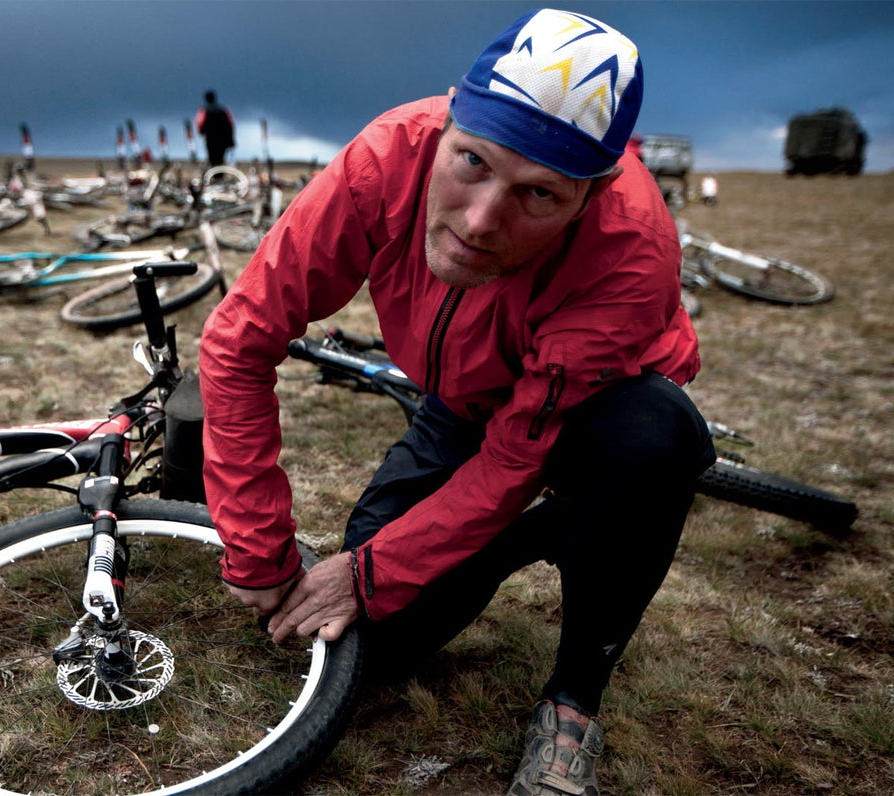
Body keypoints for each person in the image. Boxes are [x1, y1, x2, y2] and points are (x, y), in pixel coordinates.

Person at [198, 9, 715, 796]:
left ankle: (573, 699)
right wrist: (256, 543)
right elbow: (241, 338)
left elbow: (517, 452)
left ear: (593, 193)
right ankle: (544, 532)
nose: (480, 223)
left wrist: (369, 568)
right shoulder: (383, 158)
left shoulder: (630, 253)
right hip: (460, 397)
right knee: (379, 636)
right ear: (444, 123)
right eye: (471, 161)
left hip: (593, 406)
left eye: (538, 195)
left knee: (652, 439)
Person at [195, 90, 236, 167]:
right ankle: (219, 175)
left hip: (210, 139)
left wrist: (201, 132)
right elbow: (230, 125)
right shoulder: (223, 110)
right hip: (223, 139)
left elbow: (200, 124)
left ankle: (215, 175)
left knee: (212, 158)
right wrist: (231, 140)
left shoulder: (204, 111)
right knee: (220, 158)